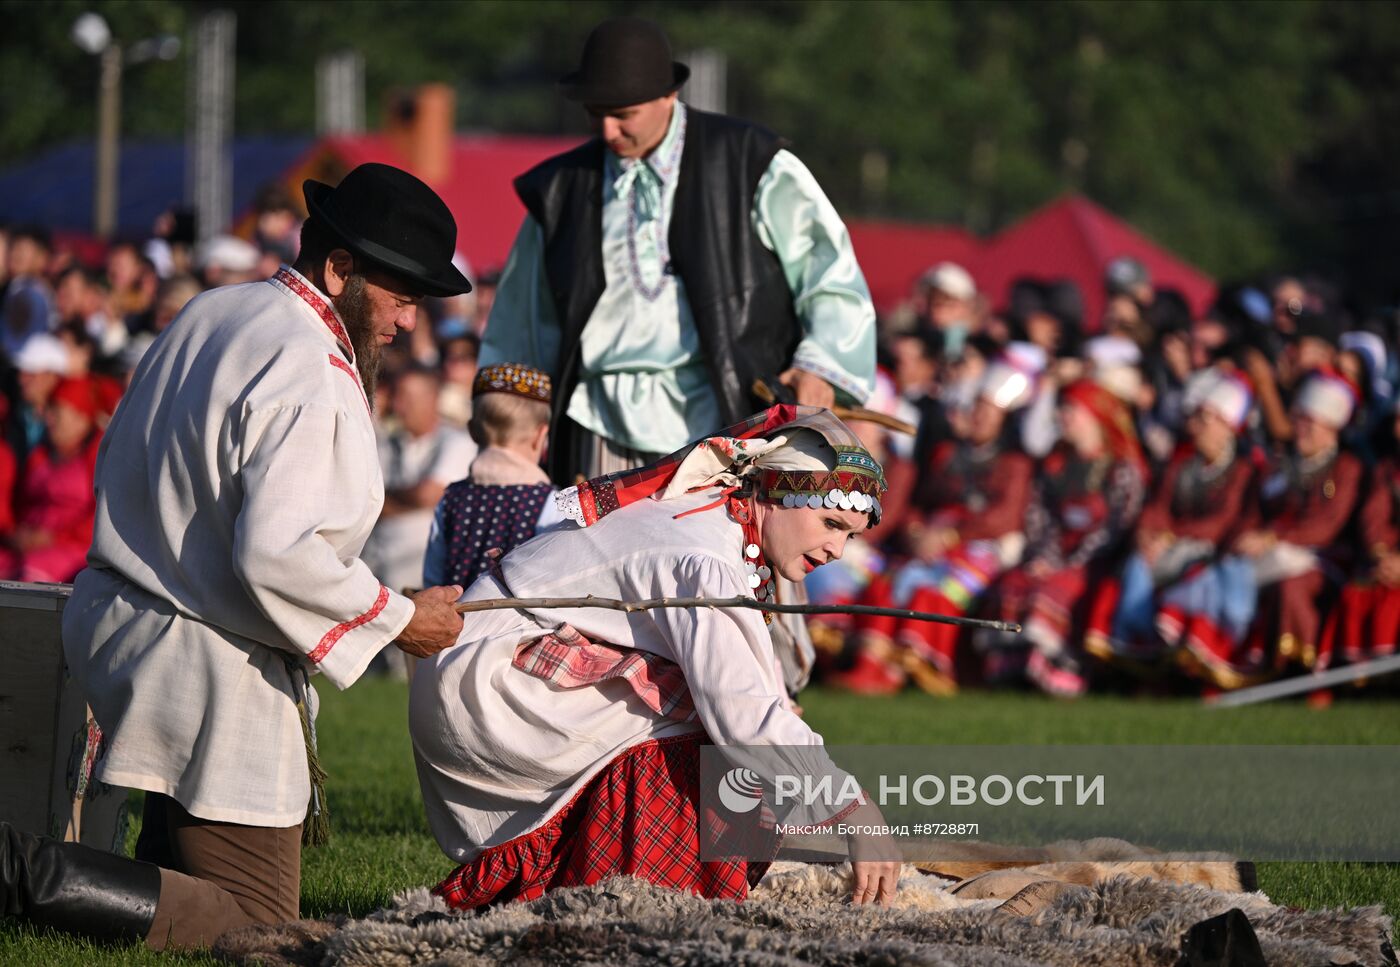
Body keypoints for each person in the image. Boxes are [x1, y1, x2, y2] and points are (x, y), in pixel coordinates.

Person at [1, 163, 471, 951]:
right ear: (340, 268)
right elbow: (275, 553)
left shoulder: (216, 309)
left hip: (131, 620)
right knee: (259, 925)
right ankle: (20, 871)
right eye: (400, 297)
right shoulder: (309, 366)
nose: (407, 323)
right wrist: (398, 620)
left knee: (176, 872)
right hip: (202, 655)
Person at [411, 406, 900, 910]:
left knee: (744, 730)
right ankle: (643, 898)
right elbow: (743, 718)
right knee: (715, 737)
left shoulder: (717, 518)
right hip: (491, 678)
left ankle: (584, 881)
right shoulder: (704, 558)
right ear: (774, 494)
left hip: (489, 664)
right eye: (830, 522)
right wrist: (855, 809)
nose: (838, 549)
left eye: (851, 535)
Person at [482, 17, 876, 484]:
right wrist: (507, 415)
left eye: (623, 114)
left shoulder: (750, 162)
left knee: (711, 557)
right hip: (596, 420)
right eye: (595, 113)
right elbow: (521, 317)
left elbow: (827, 271)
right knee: (602, 556)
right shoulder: (560, 190)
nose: (607, 131)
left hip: (723, 415)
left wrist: (820, 367)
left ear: (669, 95)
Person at [832, 359, 1036, 695]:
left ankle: (914, 664)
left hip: (981, 544)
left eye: (988, 412)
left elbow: (1004, 516)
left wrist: (952, 535)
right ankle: (872, 663)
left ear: (1005, 420)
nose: (978, 417)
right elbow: (919, 502)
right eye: (976, 409)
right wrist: (915, 531)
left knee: (932, 588)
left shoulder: (1014, 464)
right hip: (932, 539)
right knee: (890, 581)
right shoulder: (946, 454)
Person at [987, 379, 1146, 697]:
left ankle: (1062, 674)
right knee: (1015, 582)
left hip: (1095, 561)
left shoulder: (1122, 468)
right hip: (1055, 555)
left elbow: (1115, 528)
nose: (1062, 417)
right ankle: (1012, 674)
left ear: (1094, 416)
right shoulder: (1056, 464)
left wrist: (1065, 564)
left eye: (1071, 410)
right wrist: (1044, 558)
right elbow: (1040, 518)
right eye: (1061, 409)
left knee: (1055, 589)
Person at [1091, 370, 1257, 672]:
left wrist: (1170, 537)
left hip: (1209, 553)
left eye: (1206, 420)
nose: (1196, 428)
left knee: (1203, 580)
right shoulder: (1182, 465)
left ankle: (1204, 650)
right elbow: (1158, 508)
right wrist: (1149, 536)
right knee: (1137, 565)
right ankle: (1136, 645)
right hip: (1171, 548)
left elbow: (1224, 520)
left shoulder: (1242, 472)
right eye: (1196, 419)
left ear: (1228, 428)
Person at [1224, 369, 1363, 679]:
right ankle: (1233, 661)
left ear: (1331, 429)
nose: (1300, 430)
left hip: (1324, 556)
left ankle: (1305, 667)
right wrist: (1248, 535)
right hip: (1277, 551)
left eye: (1309, 422)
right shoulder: (1284, 468)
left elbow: (1324, 523)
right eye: (1298, 420)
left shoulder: (1339, 471)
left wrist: (1272, 538)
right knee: (1230, 573)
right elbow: (1259, 510)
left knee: (1288, 585)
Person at [423, 363, 563, 590]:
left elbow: (433, 580)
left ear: (472, 432)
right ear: (541, 436)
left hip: (455, 623)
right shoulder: (550, 502)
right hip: (520, 625)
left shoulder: (452, 498)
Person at [361, 365, 477, 596]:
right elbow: (361, 500)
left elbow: (428, 494)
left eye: (407, 398)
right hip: (374, 573)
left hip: (422, 582)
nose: (398, 406)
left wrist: (383, 497)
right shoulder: (388, 442)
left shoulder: (457, 442)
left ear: (432, 399)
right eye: (396, 396)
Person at [0, 377, 102, 582]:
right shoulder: (39, 453)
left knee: (32, 570)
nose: (48, 418)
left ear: (80, 417)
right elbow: (17, 503)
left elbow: (100, 515)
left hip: (72, 550)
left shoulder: (98, 454)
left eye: (56, 411)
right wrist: (15, 534)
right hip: (25, 546)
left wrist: (52, 538)